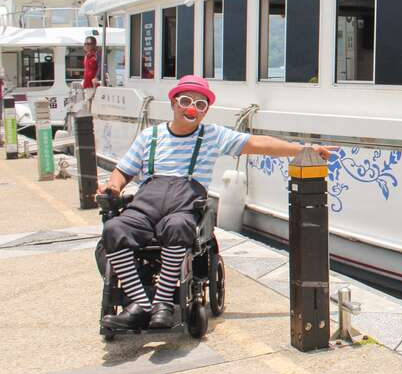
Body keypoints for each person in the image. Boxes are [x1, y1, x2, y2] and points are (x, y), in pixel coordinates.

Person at [98, 75, 334, 330]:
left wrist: (304, 149)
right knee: (114, 229)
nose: (192, 108)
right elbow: (123, 170)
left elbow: (258, 143)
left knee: (178, 228)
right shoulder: (150, 136)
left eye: (201, 105)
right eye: (186, 101)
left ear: (206, 110)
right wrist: (113, 186)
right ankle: (142, 303)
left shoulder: (212, 135)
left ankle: (163, 302)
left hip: (183, 204)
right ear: (174, 103)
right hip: (147, 203)